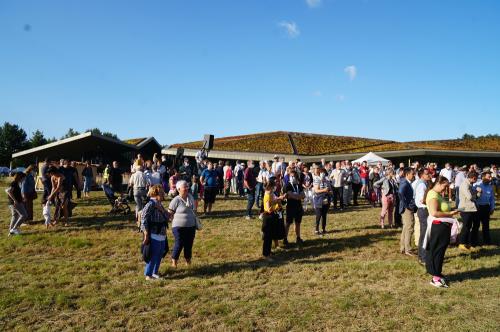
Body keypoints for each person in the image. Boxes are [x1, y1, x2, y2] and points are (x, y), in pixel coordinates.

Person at [424, 176, 460, 288]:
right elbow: (434, 212)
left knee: (439, 251)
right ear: (439, 183)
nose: (446, 189)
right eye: (444, 186)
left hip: (442, 227)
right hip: (438, 227)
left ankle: (437, 274)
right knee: (437, 251)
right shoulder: (433, 195)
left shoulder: (437, 194)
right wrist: (450, 214)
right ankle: (435, 277)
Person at [141, 184, 169, 280]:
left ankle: (155, 272)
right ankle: (148, 274)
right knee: (154, 255)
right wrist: (146, 234)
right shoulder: (150, 204)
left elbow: (167, 217)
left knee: (160, 254)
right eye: (161, 193)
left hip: (162, 233)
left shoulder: (159, 204)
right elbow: (143, 219)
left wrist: (162, 210)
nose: (163, 194)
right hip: (153, 234)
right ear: (155, 193)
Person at [168, 180, 197, 268]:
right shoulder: (176, 200)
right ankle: (174, 262)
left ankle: (188, 261)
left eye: (187, 186)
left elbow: (194, 209)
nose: (187, 188)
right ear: (179, 189)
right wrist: (173, 221)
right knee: (179, 243)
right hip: (178, 227)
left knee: (189, 244)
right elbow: (170, 213)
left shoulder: (190, 197)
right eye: (185, 187)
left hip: (191, 226)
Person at [261, 179, 286, 260]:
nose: (274, 187)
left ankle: (269, 251)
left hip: (272, 216)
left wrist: (278, 199)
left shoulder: (270, 194)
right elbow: (268, 209)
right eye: (273, 186)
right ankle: (266, 254)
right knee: (267, 237)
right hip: (268, 217)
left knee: (270, 235)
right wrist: (276, 203)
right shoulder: (267, 195)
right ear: (270, 187)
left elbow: (274, 200)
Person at [458, 171, 480, 250]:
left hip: (471, 208)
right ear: (473, 178)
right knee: (466, 227)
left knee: (471, 226)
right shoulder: (465, 184)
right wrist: (476, 192)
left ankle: (468, 243)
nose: (477, 180)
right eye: (476, 178)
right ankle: (462, 243)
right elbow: (470, 197)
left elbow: (475, 197)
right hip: (465, 209)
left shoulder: (470, 184)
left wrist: (478, 193)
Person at [414, 168, 432, 264]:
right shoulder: (421, 185)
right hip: (423, 210)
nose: (429, 175)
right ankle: (423, 257)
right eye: (427, 174)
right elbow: (422, 200)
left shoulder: (423, 183)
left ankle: (421, 256)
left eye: (429, 173)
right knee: (424, 235)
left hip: (423, 210)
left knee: (423, 234)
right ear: (422, 175)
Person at [398, 168, 417, 256]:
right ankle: (408, 249)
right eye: (412, 174)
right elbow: (400, 193)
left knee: (406, 228)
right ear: (407, 174)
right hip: (407, 209)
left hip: (406, 208)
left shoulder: (406, 182)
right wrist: (407, 205)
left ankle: (403, 248)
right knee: (409, 228)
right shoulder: (404, 183)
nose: (414, 175)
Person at [284, 170, 305, 245]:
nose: (293, 178)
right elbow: (290, 194)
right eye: (291, 176)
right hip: (290, 207)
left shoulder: (299, 185)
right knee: (288, 223)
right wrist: (298, 196)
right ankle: (285, 238)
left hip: (298, 206)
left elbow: (303, 195)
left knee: (298, 223)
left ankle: (298, 237)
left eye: (294, 176)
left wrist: (295, 196)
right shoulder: (287, 185)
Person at [474, 171, 495, 245]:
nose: (490, 178)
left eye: (490, 177)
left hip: (486, 207)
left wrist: (492, 208)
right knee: (476, 225)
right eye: (488, 176)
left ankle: (487, 241)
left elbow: (492, 199)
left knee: (486, 225)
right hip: (478, 207)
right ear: (483, 177)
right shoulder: (476, 185)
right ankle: (474, 241)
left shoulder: (490, 187)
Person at [313, 167, 331, 236]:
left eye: (323, 172)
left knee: (324, 215)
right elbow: (316, 190)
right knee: (318, 215)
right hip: (318, 199)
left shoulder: (327, 180)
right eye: (321, 172)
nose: (322, 174)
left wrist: (329, 191)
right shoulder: (316, 179)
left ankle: (323, 229)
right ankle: (316, 229)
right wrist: (324, 190)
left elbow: (329, 188)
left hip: (326, 198)